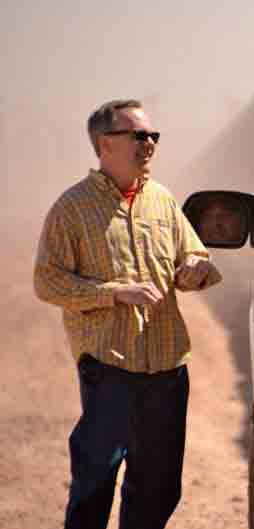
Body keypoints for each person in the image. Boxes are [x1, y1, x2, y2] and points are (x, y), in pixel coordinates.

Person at [33, 99, 222, 529]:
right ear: (104, 145)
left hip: (168, 370)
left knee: (158, 488)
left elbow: (195, 255)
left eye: (152, 135)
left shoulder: (162, 201)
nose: (149, 144)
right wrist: (115, 293)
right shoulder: (72, 209)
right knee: (95, 483)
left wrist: (196, 267)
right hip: (109, 369)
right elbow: (47, 282)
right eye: (137, 135)